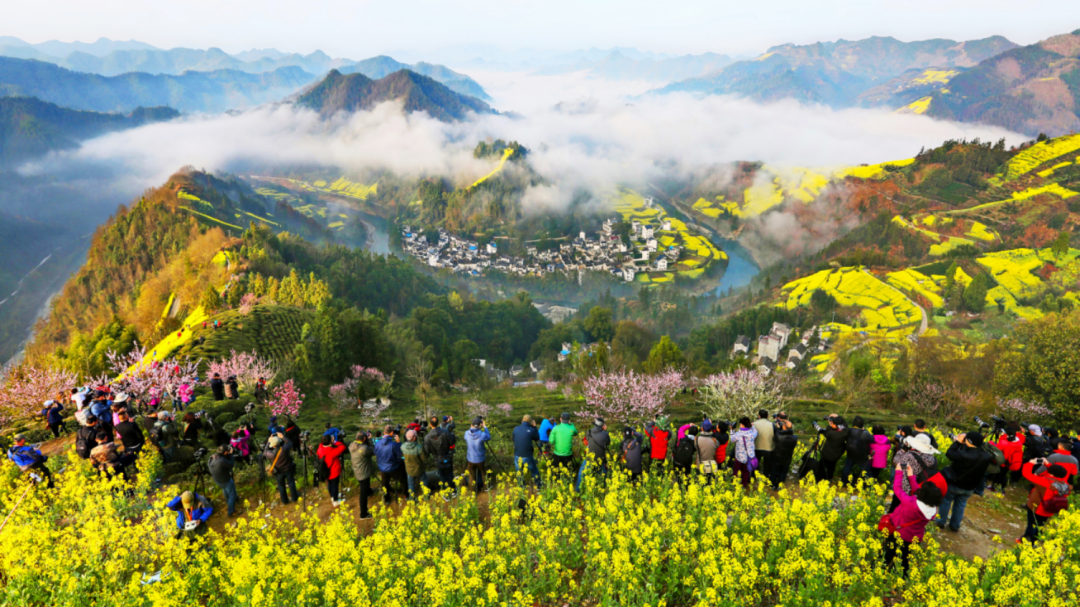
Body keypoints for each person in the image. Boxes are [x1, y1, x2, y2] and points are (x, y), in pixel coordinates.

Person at [883, 463, 942, 577]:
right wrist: (911, 476)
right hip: (915, 538)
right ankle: (901, 575)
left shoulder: (910, 503)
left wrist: (899, 472)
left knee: (887, 553)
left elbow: (897, 488)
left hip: (899, 533)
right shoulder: (933, 509)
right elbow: (918, 492)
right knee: (905, 557)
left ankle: (879, 569)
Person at [938, 432, 992, 532]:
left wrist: (958, 442)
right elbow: (974, 453)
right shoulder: (986, 456)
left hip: (954, 484)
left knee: (945, 502)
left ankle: (940, 522)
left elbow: (949, 453)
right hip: (970, 487)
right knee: (960, 505)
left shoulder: (963, 455)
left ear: (968, 441)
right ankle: (955, 526)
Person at [1020, 460, 1071, 543]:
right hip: (1050, 508)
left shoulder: (1045, 482)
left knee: (1031, 524)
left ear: (1051, 473)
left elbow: (1026, 474)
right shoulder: (1065, 484)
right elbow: (1058, 473)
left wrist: (1030, 463)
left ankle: (1027, 540)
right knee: (1040, 524)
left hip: (1037, 508)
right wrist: (1048, 465)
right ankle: (1036, 540)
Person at [890, 434, 940, 513]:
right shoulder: (931, 458)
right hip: (918, 489)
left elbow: (896, 461)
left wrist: (903, 449)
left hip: (904, 487)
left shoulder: (910, 456)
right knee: (909, 511)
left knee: (895, 508)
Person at [374, 425, 407, 504]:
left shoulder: (377, 443)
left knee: (384, 483)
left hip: (382, 468)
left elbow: (375, 452)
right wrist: (398, 442)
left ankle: (387, 499)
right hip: (393, 467)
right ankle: (406, 494)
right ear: (392, 433)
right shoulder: (394, 444)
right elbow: (400, 454)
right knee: (403, 479)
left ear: (384, 432)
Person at [264, 435, 299, 505]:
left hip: (278, 471)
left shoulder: (270, 454)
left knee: (281, 486)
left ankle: (284, 500)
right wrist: (283, 437)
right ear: (279, 443)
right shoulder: (284, 449)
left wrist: (268, 442)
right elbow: (290, 443)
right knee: (291, 483)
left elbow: (265, 452)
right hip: (288, 469)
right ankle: (294, 498)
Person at [577, 417, 610, 491]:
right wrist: (605, 431)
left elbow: (588, 442)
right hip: (600, 459)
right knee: (603, 472)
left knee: (581, 471)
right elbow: (608, 443)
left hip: (590, 458)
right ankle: (603, 489)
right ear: (603, 426)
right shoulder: (605, 434)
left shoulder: (589, 432)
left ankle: (578, 490)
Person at [349, 431, 376, 519]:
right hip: (363, 472)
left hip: (357, 470)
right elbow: (373, 451)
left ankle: (369, 491)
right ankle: (363, 514)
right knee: (363, 494)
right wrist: (370, 440)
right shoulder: (364, 448)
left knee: (365, 485)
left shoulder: (352, 446)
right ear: (364, 438)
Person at [512, 415, 542, 488]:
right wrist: (534, 427)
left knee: (519, 472)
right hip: (527, 456)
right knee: (534, 471)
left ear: (522, 421)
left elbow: (514, 439)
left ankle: (522, 487)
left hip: (517, 455)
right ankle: (539, 485)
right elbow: (537, 437)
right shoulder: (531, 430)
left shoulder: (516, 429)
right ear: (531, 422)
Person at [841, 416, 873, 486]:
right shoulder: (864, 433)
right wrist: (865, 430)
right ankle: (869, 484)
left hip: (850, 452)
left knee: (847, 467)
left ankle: (844, 482)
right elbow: (872, 439)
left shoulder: (849, 430)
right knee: (866, 470)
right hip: (861, 455)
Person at [316, 433, 347, 506]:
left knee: (330, 484)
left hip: (325, 471)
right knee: (335, 485)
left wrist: (330, 442)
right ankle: (335, 501)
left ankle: (332, 497)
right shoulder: (331, 451)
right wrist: (336, 441)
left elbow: (323, 444)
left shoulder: (320, 448)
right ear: (330, 442)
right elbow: (342, 447)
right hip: (333, 471)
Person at [818, 414, 850, 481]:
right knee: (831, 468)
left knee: (821, 467)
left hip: (826, 455)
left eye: (832, 423)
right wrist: (838, 417)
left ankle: (821, 479)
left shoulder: (831, 434)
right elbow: (845, 424)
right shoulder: (845, 432)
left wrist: (829, 425)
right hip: (836, 455)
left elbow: (825, 431)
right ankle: (829, 479)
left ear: (835, 425)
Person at [208, 445, 238, 516]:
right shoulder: (222, 460)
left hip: (217, 479)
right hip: (225, 479)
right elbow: (231, 464)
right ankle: (231, 512)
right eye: (227, 451)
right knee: (232, 495)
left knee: (225, 489)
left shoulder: (212, 457)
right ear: (225, 452)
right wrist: (230, 454)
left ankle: (229, 501)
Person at [465, 418, 492, 494]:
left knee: (471, 474)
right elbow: (488, 437)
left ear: (471, 425)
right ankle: (486, 488)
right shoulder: (483, 435)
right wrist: (485, 427)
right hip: (480, 459)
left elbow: (466, 437)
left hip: (470, 459)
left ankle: (473, 491)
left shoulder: (466, 433)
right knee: (483, 472)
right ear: (480, 425)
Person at [770, 418, 798, 490]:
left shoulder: (778, 436)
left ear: (784, 426)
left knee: (774, 471)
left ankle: (773, 485)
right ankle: (780, 485)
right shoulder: (795, 438)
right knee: (783, 473)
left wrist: (779, 428)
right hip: (787, 458)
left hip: (777, 457)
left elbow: (775, 437)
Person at [995, 423, 1026, 488]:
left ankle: (995, 487)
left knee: (999, 474)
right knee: (1003, 474)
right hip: (1011, 461)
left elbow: (997, 449)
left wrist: (1003, 436)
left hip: (1003, 460)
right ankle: (1002, 488)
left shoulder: (1004, 441)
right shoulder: (1019, 442)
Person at [730, 418, 757, 487]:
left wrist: (731, 430)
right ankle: (744, 484)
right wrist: (752, 426)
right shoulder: (752, 434)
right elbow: (756, 431)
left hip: (739, 457)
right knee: (746, 471)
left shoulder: (738, 434)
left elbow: (732, 439)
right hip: (749, 457)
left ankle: (734, 483)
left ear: (742, 425)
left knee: (736, 470)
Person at [401, 429, 427, 500]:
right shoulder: (419, 447)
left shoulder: (402, 447)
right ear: (415, 438)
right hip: (419, 469)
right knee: (424, 480)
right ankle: (426, 495)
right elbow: (424, 459)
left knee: (411, 484)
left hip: (409, 470)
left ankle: (412, 498)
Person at [694, 420, 721, 485]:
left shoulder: (696, 439)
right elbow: (717, 446)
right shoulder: (715, 440)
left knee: (700, 485)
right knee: (709, 484)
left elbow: (696, 447)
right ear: (711, 430)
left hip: (700, 465)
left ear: (702, 428)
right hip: (711, 466)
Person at [752, 410, 774, 481]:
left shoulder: (753, 424)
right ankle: (765, 478)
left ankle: (754, 477)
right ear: (768, 416)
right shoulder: (772, 424)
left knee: (755, 463)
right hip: (768, 448)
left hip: (756, 447)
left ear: (759, 416)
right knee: (767, 465)